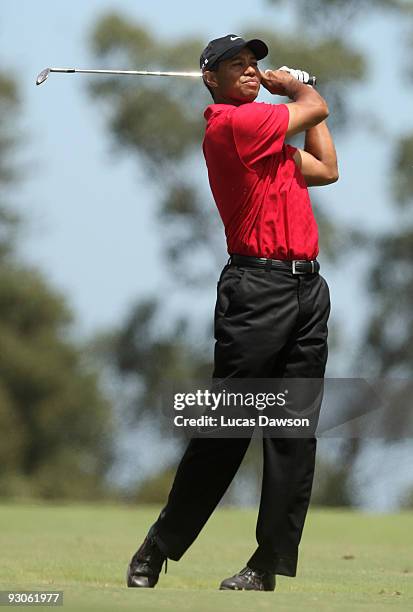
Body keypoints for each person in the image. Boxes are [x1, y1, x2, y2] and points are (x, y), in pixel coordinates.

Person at [126, 33, 338, 592]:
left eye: (253, 64)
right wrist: (299, 88)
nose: (249, 71)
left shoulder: (267, 140)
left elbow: (326, 167)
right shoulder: (231, 126)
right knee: (230, 424)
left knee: (294, 431)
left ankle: (266, 565)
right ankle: (160, 546)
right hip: (256, 290)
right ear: (211, 80)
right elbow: (313, 107)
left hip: (307, 290)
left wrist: (303, 96)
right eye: (235, 66)